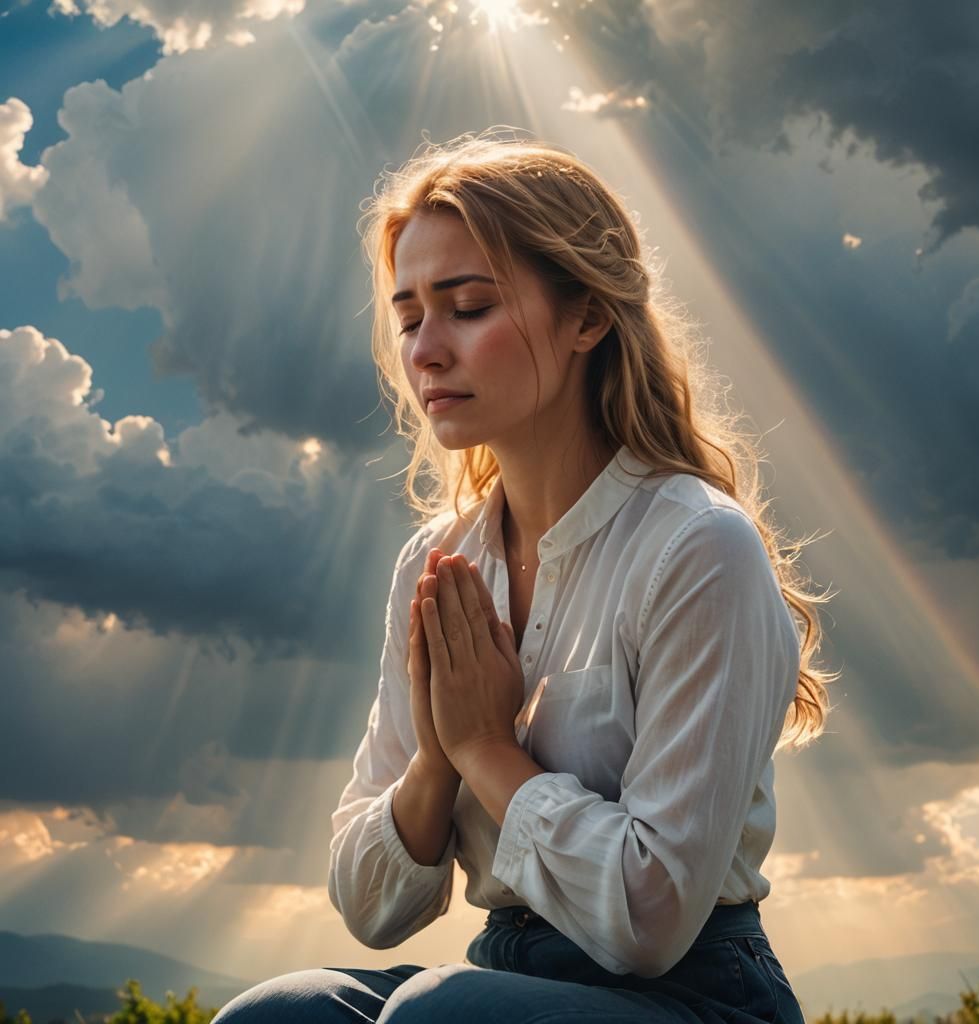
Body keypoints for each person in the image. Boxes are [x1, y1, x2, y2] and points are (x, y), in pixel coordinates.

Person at [212, 129, 838, 1023]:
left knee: (441, 1016)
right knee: (278, 1015)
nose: (426, 350)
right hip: (501, 975)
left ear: (587, 317)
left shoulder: (698, 547)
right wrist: (436, 757)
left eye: (466, 307)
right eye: (408, 316)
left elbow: (651, 921)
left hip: (696, 996)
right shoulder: (437, 564)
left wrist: (485, 751)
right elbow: (368, 906)